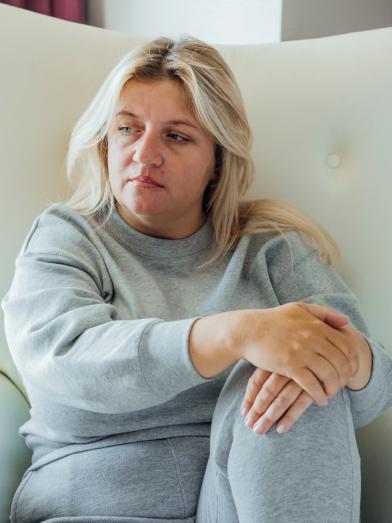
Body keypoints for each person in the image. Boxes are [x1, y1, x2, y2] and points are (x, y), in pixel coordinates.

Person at [2, 34, 392, 523]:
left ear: (217, 162)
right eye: (127, 129)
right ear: (105, 141)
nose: (145, 154)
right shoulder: (68, 237)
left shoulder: (274, 249)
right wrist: (236, 334)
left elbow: (372, 393)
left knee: (297, 370)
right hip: (95, 505)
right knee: (278, 351)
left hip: (244, 505)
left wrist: (349, 358)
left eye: (177, 136)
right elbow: (63, 361)